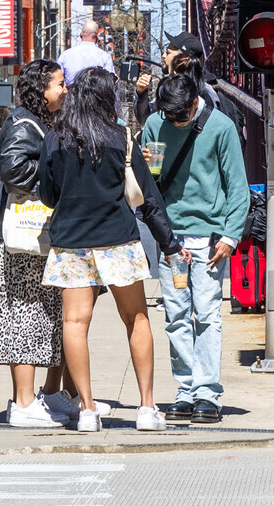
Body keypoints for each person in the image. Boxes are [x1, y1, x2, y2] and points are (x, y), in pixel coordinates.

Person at [37, 66, 172, 434]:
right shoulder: (121, 137)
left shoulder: (54, 138)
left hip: (72, 243)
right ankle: (146, 408)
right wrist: (169, 243)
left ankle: (87, 410)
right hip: (118, 241)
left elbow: (47, 194)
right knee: (137, 320)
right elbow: (148, 197)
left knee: (75, 324)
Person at [139, 72, 251, 425]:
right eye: (169, 116)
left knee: (207, 315)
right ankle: (185, 390)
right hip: (172, 238)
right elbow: (153, 184)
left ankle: (207, 391)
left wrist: (230, 237)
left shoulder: (219, 127)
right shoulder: (156, 123)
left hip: (210, 238)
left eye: (180, 116)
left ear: (194, 103)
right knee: (175, 318)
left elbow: (237, 186)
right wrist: (145, 166)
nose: (174, 122)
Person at [0, 58, 75, 428]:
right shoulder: (23, 124)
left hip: (36, 239)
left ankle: (45, 396)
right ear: (41, 89)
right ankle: (23, 402)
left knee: (46, 316)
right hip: (24, 242)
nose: (63, 90)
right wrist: (57, 171)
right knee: (26, 316)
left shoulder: (36, 122)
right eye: (59, 84)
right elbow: (15, 169)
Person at [56, 16, 115, 85]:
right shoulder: (104, 57)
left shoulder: (65, 56)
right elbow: (110, 84)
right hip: (96, 95)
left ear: (81, 34)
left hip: (71, 94)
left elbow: (57, 80)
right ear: (97, 37)